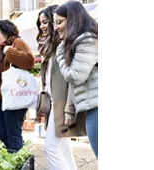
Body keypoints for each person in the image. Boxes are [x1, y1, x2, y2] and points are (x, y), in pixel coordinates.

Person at [36, 5, 87, 170]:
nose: (42, 26)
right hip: (54, 100)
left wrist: (68, 107)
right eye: (40, 24)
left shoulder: (66, 43)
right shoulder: (51, 45)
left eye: (45, 22)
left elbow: (71, 77)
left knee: (50, 147)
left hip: (63, 101)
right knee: (63, 147)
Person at [54, 1, 98, 158]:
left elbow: (75, 77)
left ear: (72, 19)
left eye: (59, 22)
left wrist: (60, 53)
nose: (56, 27)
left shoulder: (87, 40)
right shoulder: (81, 41)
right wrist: (70, 110)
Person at [0, 20, 35, 153]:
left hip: (14, 98)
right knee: (0, 135)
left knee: (13, 136)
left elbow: (29, 61)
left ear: (6, 31)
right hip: (0, 100)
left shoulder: (17, 43)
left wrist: (9, 51)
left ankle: (17, 163)